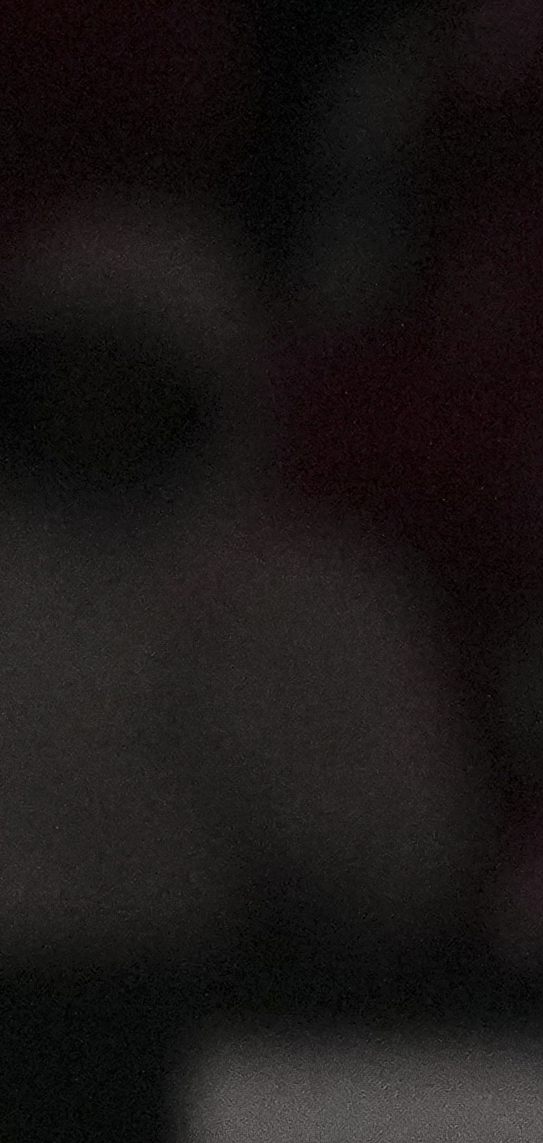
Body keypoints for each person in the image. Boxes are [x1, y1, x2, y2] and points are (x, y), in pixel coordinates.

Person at [0, 198, 473, 961]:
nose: (91, 407)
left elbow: (407, 872)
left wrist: (242, 736)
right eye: (66, 373)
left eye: (124, 377)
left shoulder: (311, 598)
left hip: (194, 1018)